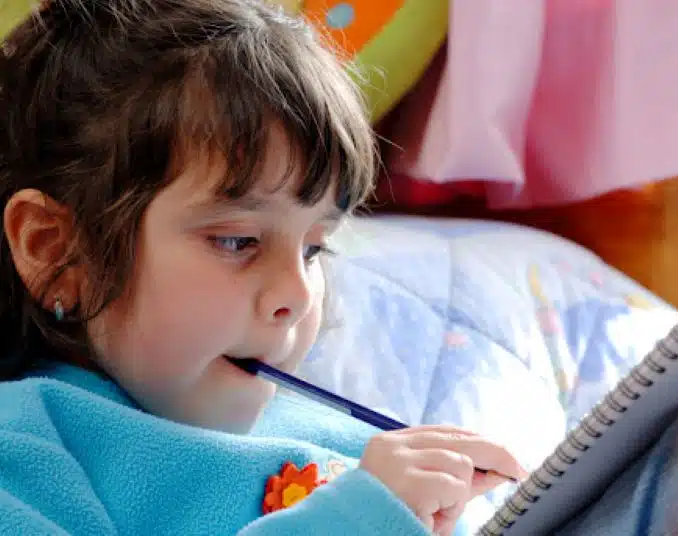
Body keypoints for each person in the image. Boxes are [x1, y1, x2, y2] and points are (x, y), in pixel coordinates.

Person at [0, 1, 525, 535]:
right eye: (238, 241)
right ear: (56, 251)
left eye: (314, 249)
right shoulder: (22, 453)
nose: (296, 294)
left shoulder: (356, 452)